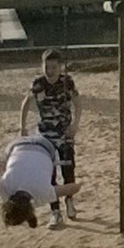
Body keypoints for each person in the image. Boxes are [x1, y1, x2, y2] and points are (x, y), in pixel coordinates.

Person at [20, 48, 82, 228]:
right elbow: (26, 103)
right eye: (47, 67)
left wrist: (75, 125)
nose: (50, 71)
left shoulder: (67, 82)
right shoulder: (38, 83)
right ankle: (55, 211)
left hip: (64, 134)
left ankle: (69, 200)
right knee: (49, 173)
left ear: (60, 67)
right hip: (45, 136)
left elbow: (78, 104)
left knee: (68, 169)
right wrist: (22, 127)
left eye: (53, 67)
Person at [0, 135, 81, 228]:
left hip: (46, 148)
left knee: (47, 167)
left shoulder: (42, 194)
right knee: (8, 162)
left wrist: (54, 191)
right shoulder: (5, 188)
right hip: (17, 145)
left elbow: (75, 187)